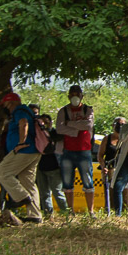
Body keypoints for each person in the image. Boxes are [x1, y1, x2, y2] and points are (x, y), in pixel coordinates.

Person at [0, 92, 42, 226]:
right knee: (28, 182)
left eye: (6, 105)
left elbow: (23, 123)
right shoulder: (27, 111)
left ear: (11, 103)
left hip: (24, 150)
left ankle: (21, 197)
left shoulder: (19, 111)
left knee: (1, 172)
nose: (6, 108)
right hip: (34, 151)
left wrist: (21, 142)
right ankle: (35, 216)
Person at [55, 85, 95, 214]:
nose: (74, 97)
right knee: (67, 183)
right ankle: (70, 211)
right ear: (68, 96)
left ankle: (91, 211)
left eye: (77, 94)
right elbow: (59, 129)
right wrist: (77, 130)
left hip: (84, 151)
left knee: (88, 181)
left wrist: (69, 124)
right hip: (67, 151)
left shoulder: (88, 110)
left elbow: (88, 125)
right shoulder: (63, 111)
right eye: (72, 94)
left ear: (82, 96)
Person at [34, 114, 66, 217]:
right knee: (44, 194)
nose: (45, 124)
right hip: (40, 167)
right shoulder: (37, 135)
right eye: (43, 122)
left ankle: (65, 213)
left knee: (58, 192)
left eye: (47, 122)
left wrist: (47, 130)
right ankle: (48, 214)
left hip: (54, 167)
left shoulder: (54, 133)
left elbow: (60, 138)